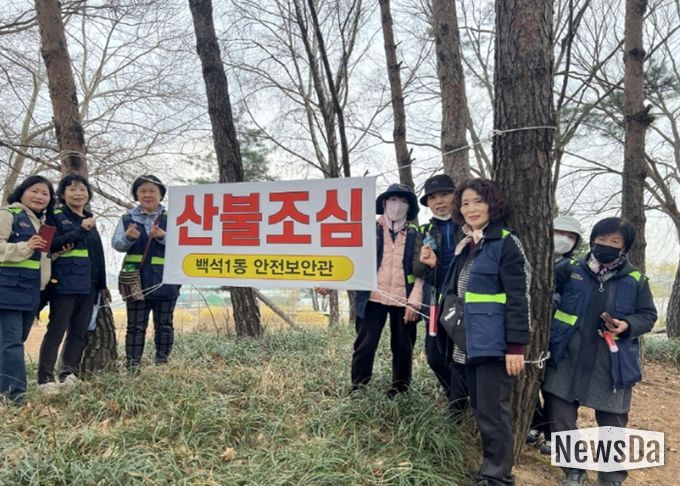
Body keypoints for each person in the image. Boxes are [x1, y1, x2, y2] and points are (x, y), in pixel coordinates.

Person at [421, 178, 530, 486]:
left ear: (492, 204)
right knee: (482, 408)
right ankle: (489, 470)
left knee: (494, 411)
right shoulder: (467, 244)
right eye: (465, 203)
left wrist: (516, 346)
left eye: (478, 202)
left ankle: (498, 476)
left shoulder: (505, 242)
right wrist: (435, 266)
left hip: (494, 343)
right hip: (466, 341)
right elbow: (453, 287)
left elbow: (520, 296)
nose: (471, 209)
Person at [544, 217, 657, 486]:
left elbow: (648, 315)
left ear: (625, 247)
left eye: (615, 241)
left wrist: (627, 325)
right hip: (567, 355)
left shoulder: (635, 279)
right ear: (593, 240)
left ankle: (611, 476)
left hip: (612, 361)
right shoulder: (570, 269)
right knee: (560, 415)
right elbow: (547, 296)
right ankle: (573, 469)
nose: (606, 245)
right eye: (602, 239)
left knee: (613, 422)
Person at [37, 175, 109, 391]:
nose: (78, 193)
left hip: (90, 284)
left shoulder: (89, 218)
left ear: (88, 194)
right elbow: (46, 244)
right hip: (64, 282)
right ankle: (45, 378)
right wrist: (80, 230)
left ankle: (68, 373)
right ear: (62, 194)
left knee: (79, 331)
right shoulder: (54, 216)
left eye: (82, 189)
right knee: (56, 330)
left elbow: (97, 254)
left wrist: (102, 284)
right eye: (72, 189)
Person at [351, 183, 424, 398]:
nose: (397, 205)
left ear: (409, 207)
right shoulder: (368, 230)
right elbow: (350, 259)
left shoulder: (415, 234)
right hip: (372, 297)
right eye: (393, 199)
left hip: (404, 299)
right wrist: (331, 282)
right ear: (384, 203)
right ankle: (358, 386)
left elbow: (421, 268)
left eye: (403, 201)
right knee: (365, 344)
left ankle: (400, 389)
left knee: (403, 346)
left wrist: (415, 297)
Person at [528, 215, 584, 454]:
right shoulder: (531, 257)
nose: (564, 239)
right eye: (559, 232)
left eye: (570, 237)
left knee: (551, 386)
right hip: (527, 329)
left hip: (557, 335)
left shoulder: (573, 269)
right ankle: (535, 422)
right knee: (526, 379)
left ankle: (551, 432)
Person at [112, 175, 180, 370]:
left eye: (152, 191)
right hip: (135, 281)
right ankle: (133, 366)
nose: (147, 195)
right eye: (142, 191)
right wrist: (128, 237)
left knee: (164, 324)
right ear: (136, 195)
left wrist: (163, 236)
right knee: (135, 326)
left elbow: (183, 243)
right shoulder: (127, 219)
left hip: (165, 280)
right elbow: (117, 245)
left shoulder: (172, 218)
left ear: (161, 195)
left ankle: (162, 363)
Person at [414, 174, 466, 411]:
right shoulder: (425, 230)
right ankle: (454, 396)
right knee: (435, 355)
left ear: (455, 196)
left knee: (460, 353)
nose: (439, 201)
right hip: (436, 301)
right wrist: (425, 261)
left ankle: (458, 406)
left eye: (445, 194)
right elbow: (418, 270)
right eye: (433, 198)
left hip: (464, 300)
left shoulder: (467, 226)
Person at [0, 176, 54, 403]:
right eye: (34, 191)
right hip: (7, 289)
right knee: (11, 343)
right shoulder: (8, 214)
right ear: (22, 192)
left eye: (45, 193)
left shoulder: (42, 223)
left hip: (31, 291)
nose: (39, 196)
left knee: (15, 341)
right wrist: (26, 246)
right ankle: (15, 396)